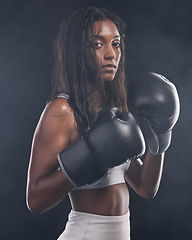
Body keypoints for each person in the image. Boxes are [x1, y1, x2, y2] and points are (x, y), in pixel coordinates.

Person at [26, 7, 180, 240]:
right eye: (97, 44)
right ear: (78, 51)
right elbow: (35, 200)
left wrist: (160, 136)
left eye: (116, 44)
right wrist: (90, 156)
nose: (111, 54)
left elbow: (145, 188)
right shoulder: (63, 110)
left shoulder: (116, 108)